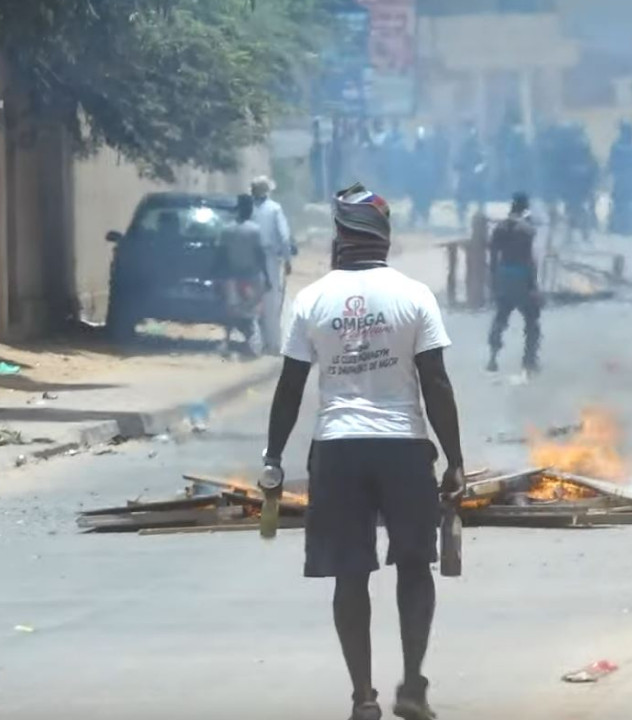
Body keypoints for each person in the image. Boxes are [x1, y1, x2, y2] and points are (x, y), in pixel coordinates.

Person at [262, 182, 465, 720]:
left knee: (350, 573)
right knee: (414, 565)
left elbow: (290, 385)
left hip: (338, 450)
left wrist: (273, 456)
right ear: (385, 236)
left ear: (340, 235)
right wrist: (455, 459)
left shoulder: (312, 299)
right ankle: (413, 685)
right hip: (404, 449)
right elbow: (436, 382)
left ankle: (363, 698)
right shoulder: (414, 295)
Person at [487, 193, 541, 373]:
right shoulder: (527, 229)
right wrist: (533, 284)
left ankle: (492, 358)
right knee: (531, 319)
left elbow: (493, 256)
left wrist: (493, 279)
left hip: (504, 273)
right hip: (521, 275)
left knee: (501, 316)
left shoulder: (500, 228)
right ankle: (529, 360)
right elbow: (529, 259)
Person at [216, 195, 270, 356]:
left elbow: (221, 255)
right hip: (251, 276)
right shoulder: (255, 230)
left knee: (231, 310)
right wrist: (267, 277)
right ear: (250, 210)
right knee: (252, 310)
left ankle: (227, 341)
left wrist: (217, 275)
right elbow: (260, 255)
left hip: (232, 276)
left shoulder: (227, 229)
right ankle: (250, 344)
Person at [251, 176, 294, 354]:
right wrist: (288, 260)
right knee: (271, 303)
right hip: (269, 259)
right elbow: (284, 237)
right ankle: (273, 344)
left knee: (251, 301)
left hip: (249, 259)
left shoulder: (247, 208)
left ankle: (255, 343)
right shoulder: (275, 209)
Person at [454, 123, 487, 227]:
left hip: (475, 178)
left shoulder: (478, 147)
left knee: (480, 199)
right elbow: (457, 162)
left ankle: (480, 220)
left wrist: (478, 170)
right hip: (466, 177)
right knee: (462, 200)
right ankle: (462, 221)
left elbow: (483, 162)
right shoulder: (463, 147)